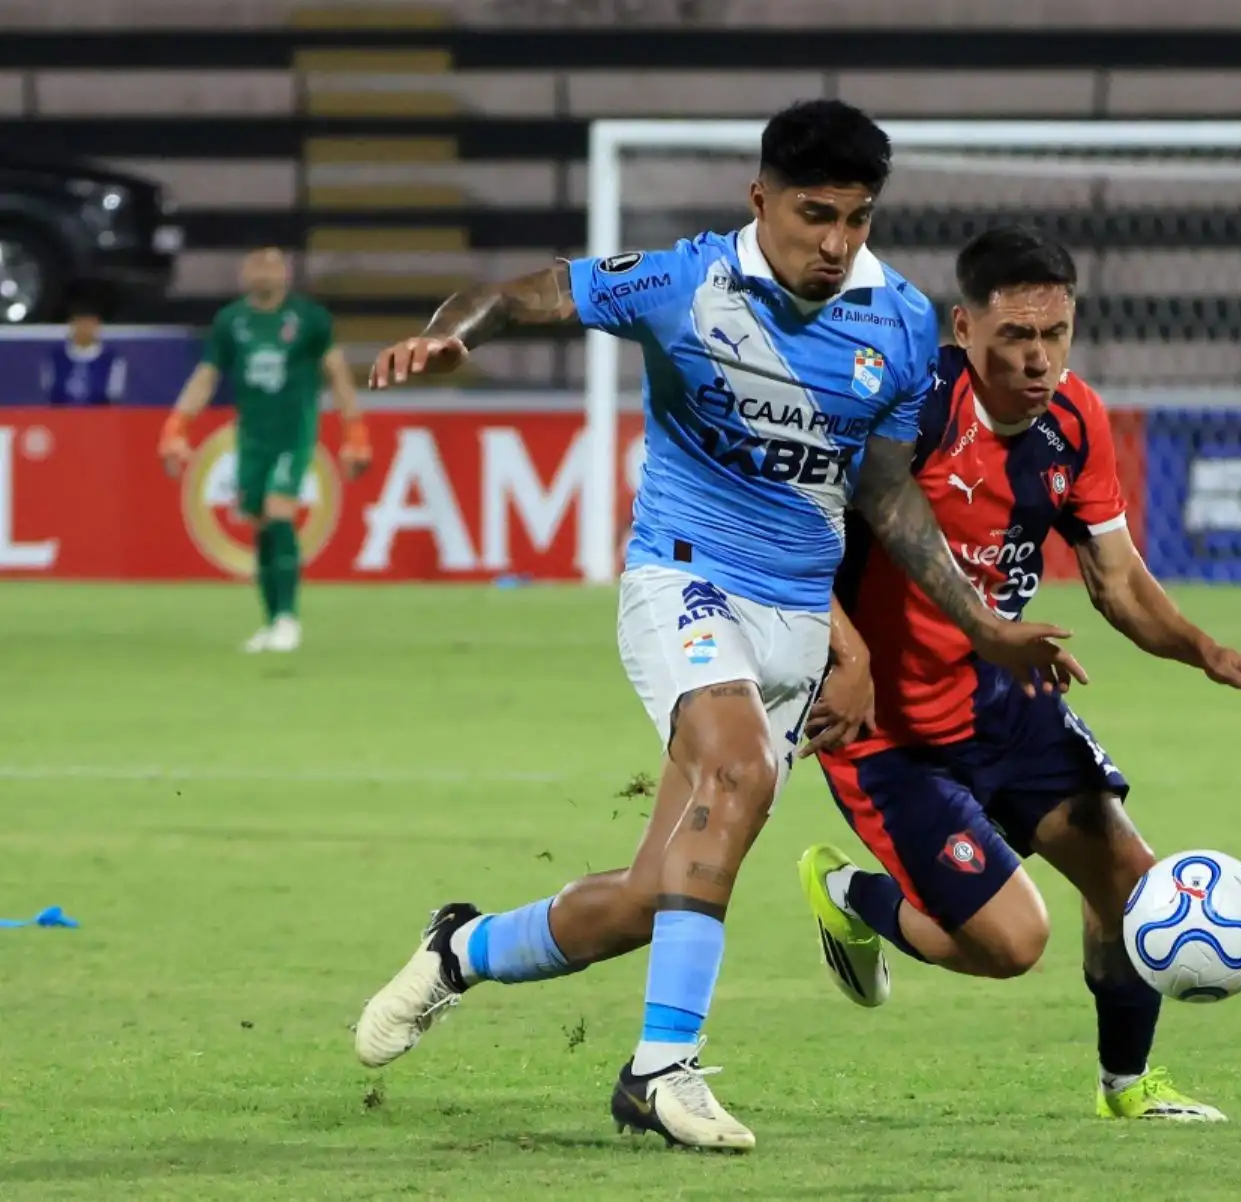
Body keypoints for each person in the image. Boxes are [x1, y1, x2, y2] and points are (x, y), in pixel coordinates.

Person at [350, 100, 1083, 1153]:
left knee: (659, 893)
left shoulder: (903, 323)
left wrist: (960, 626)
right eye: (815, 214)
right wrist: (448, 335)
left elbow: (880, 497)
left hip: (793, 620)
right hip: (683, 579)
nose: (835, 243)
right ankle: (660, 1071)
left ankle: (460, 948)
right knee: (734, 774)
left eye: (858, 219)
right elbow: (521, 290)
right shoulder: (683, 282)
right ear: (761, 201)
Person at [794, 227, 1241, 1122]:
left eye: (1054, 336)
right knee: (1010, 943)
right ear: (963, 330)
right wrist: (849, 654)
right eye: (1014, 338)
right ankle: (855, 899)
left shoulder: (1076, 421)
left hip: (1003, 694)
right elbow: (794, 540)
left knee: (1129, 880)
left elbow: (1117, 583)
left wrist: (1203, 649)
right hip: (887, 733)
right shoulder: (911, 411)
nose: (1037, 360)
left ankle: (1128, 1087)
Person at [157, 248, 372, 652]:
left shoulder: (309, 320)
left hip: (293, 431)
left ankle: (289, 620)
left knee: (279, 511)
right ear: (244, 273)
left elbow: (337, 373)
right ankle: (272, 621)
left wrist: (355, 431)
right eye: (256, 265)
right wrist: (177, 425)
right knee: (258, 523)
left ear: (286, 273)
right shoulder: (231, 321)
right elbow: (206, 376)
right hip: (252, 436)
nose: (263, 272)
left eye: (272, 265)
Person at [42, 299, 126, 406]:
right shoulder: (55, 358)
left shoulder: (112, 360)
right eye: (80, 323)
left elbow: (114, 397)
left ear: (97, 326)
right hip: (62, 418)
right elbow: (49, 393)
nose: (84, 328)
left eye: (89, 324)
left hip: (99, 419)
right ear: (72, 325)